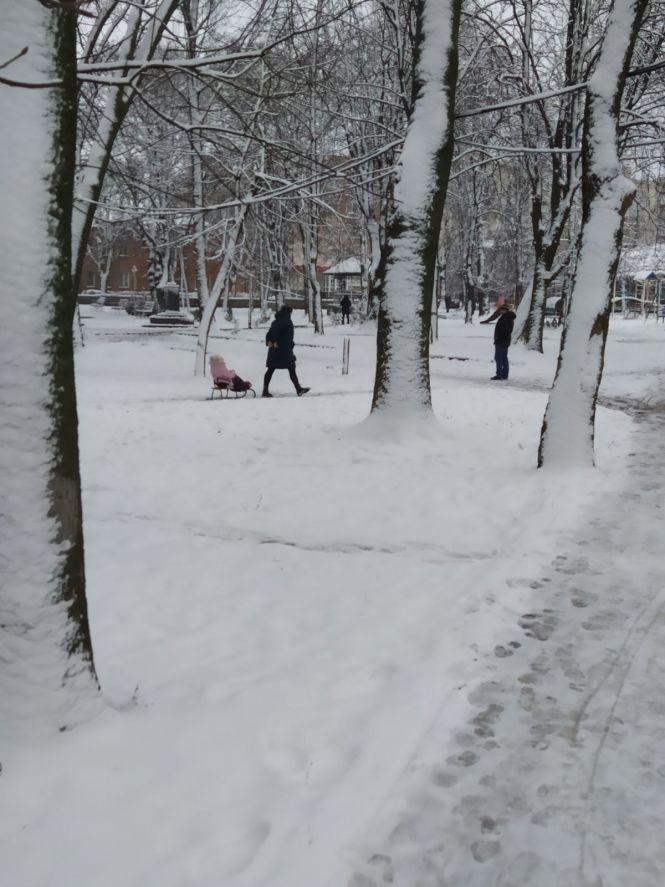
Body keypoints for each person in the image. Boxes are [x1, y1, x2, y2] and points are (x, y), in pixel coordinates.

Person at [263, 305, 310, 397]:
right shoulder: (288, 322)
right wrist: (288, 344)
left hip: (273, 350)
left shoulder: (275, 322)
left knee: (270, 370)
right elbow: (288, 337)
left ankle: (265, 390)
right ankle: (298, 389)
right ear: (289, 313)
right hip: (284, 350)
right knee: (291, 368)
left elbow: (269, 333)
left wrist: (270, 342)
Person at [484, 302, 516, 380]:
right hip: (504, 341)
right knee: (503, 358)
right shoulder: (506, 317)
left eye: (501, 309)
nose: (500, 311)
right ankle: (504, 374)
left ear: (505, 310)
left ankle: (499, 374)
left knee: (498, 358)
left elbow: (506, 330)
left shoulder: (506, 318)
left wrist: (498, 338)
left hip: (501, 341)